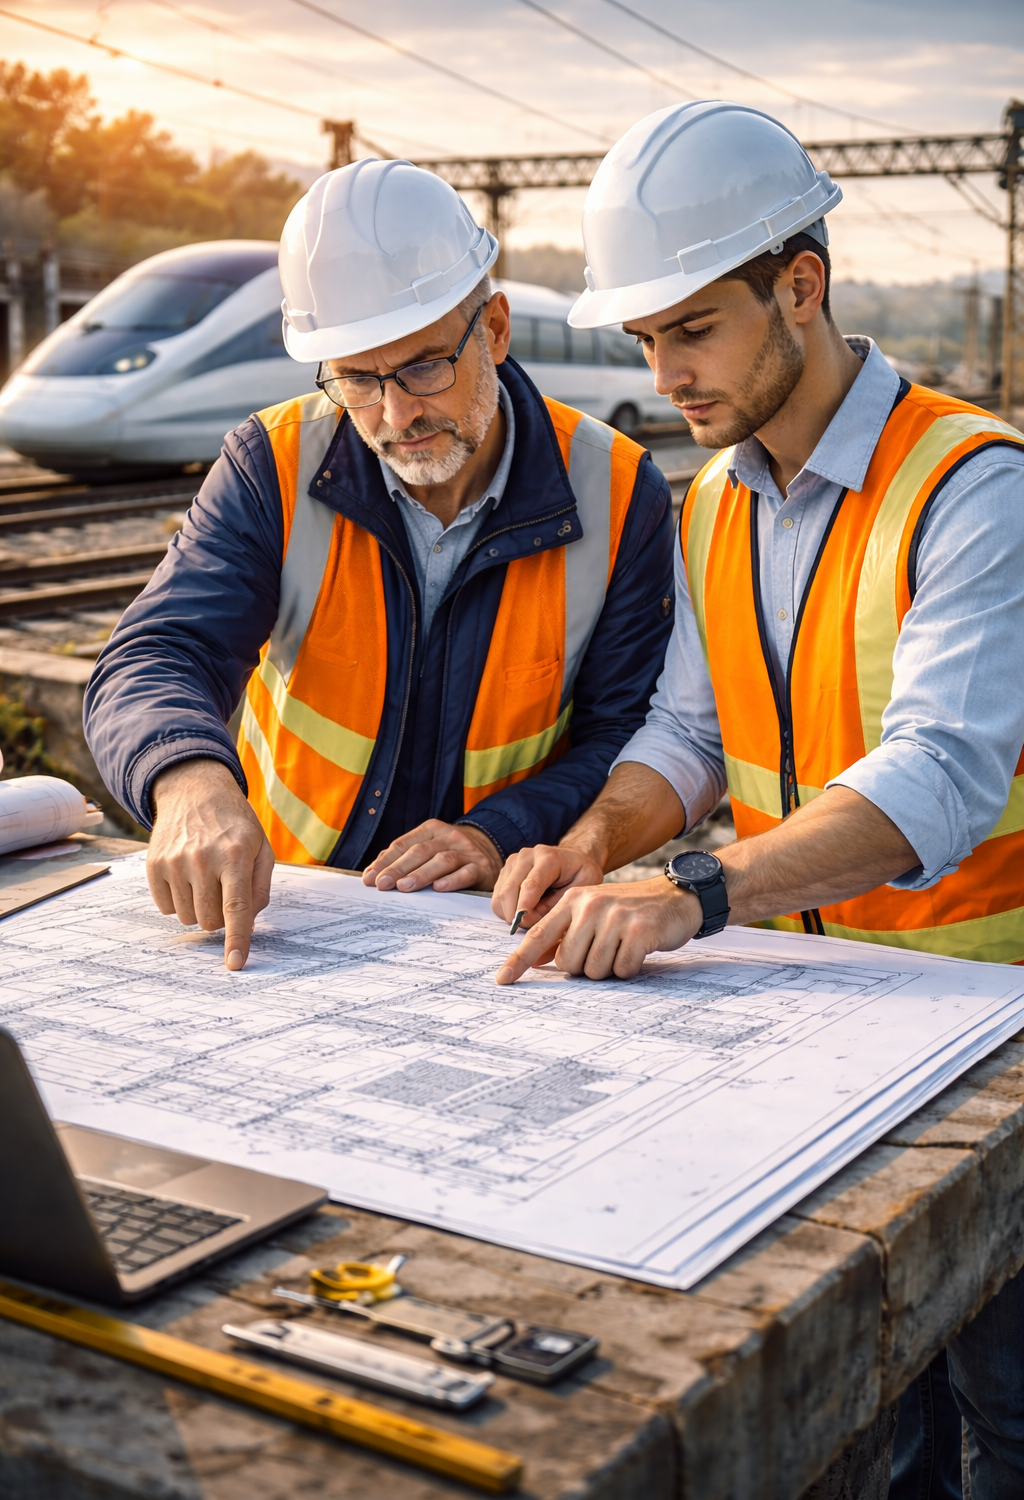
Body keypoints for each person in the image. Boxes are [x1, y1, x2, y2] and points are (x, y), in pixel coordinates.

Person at [490, 102, 1024, 1499]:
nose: (665, 372)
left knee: (1009, 1416)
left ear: (802, 286)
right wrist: (593, 842)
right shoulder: (713, 503)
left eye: (695, 330)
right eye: (646, 340)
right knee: (881, 1414)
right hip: (819, 1050)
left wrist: (697, 891)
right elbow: (685, 729)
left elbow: (944, 773)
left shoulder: (974, 488)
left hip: (990, 1049)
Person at [83, 159, 674, 971]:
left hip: (497, 924)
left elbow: (629, 732)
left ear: (494, 331)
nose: (395, 415)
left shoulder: (616, 489)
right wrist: (188, 783)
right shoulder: (274, 465)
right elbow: (156, 653)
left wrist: (494, 833)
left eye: (423, 367)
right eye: (357, 379)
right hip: (287, 914)